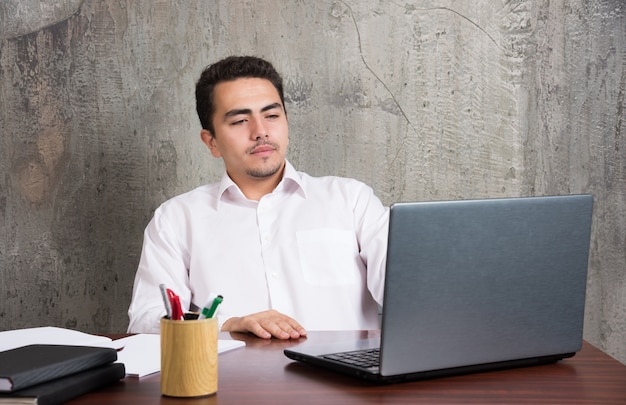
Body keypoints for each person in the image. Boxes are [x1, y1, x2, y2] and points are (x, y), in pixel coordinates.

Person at [127, 56, 388, 339]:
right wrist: (229, 324)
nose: (260, 131)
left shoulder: (351, 201)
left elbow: (409, 289)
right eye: (240, 120)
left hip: (345, 378)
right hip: (231, 381)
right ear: (211, 141)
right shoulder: (177, 219)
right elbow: (145, 321)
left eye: (272, 116)